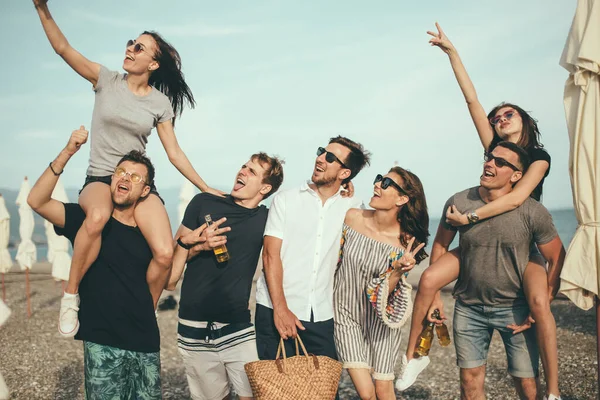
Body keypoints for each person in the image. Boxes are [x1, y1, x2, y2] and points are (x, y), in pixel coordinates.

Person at [33, 0, 218, 338]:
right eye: (131, 43)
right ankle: (70, 295)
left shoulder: (160, 104)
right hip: (102, 177)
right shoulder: (105, 79)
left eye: (140, 46)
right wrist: (42, 8)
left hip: (139, 180)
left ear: (153, 62)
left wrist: (205, 186)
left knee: (164, 252)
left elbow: (174, 152)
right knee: (98, 218)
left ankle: (143, 311)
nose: (131, 48)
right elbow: (62, 48)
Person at [397, 23, 560, 400]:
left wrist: (467, 219)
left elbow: (518, 199)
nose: (500, 121)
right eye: (497, 118)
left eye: (508, 116)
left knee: (538, 303)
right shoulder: (495, 153)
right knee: (430, 278)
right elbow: (472, 101)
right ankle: (413, 357)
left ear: (525, 122)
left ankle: (553, 392)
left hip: (519, 241)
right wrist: (452, 53)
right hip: (479, 242)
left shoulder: (537, 158)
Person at [28, 127, 165, 399]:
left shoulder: (150, 235)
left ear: (145, 190)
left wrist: (188, 244)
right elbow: (36, 201)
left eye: (134, 176)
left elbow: (167, 276)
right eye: (120, 173)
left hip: (145, 338)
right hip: (102, 340)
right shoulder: (85, 220)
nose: (125, 178)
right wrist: (67, 152)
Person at [167, 153, 284, 400]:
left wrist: (341, 191)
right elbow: (170, 272)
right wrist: (196, 246)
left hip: (238, 325)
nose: (242, 171)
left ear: (265, 187)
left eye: (252, 171)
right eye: (244, 166)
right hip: (194, 326)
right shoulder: (203, 203)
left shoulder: (267, 218)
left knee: (252, 395)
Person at [255, 136, 370, 366]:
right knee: (276, 390)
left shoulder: (353, 207)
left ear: (344, 173)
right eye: (321, 151)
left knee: (324, 389)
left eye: (330, 157)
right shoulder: (285, 199)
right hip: (274, 308)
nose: (320, 158)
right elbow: (270, 255)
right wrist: (281, 309)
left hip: (323, 313)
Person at [334, 167, 429, 400]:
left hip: (381, 322)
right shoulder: (351, 217)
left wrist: (397, 271)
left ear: (402, 199)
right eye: (379, 179)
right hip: (345, 314)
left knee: (384, 389)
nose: (377, 185)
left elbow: (385, 294)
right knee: (367, 394)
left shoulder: (405, 242)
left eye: (386, 183)